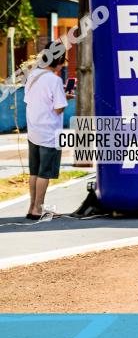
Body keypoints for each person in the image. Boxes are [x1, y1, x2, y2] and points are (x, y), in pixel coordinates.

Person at [23, 41, 73, 220]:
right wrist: (66, 98)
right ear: (58, 60)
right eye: (63, 60)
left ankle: (32, 207)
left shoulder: (32, 75)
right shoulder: (55, 80)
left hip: (33, 130)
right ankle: (38, 209)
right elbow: (59, 108)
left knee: (34, 171)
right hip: (49, 133)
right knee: (45, 172)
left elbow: (30, 100)